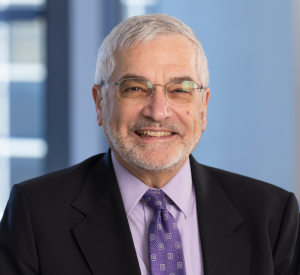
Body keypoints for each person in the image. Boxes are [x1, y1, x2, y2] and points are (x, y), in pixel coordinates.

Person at [0, 14, 299, 275]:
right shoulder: (36, 214)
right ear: (99, 103)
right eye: (134, 88)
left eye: (180, 90)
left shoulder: (272, 216)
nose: (157, 111)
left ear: (203, 107)